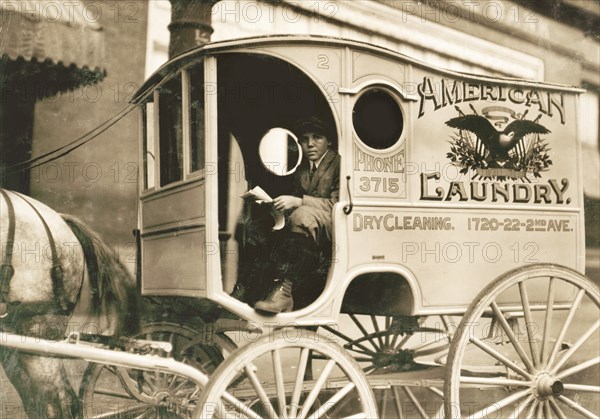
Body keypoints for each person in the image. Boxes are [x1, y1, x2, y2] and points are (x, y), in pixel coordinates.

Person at [252, 117, 340, 313]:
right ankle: (250, 288)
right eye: (304, 139)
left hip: (336, 224)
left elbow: (337, 204)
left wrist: (299, 202)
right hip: (310, 222)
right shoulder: (302, 169)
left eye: (317, 138)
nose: (310, 144)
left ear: (329, 141)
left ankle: (285, 293)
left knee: (301, 216)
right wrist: (276, 206)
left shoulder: (339, 164)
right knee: (257, 224)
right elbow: (294, 196)